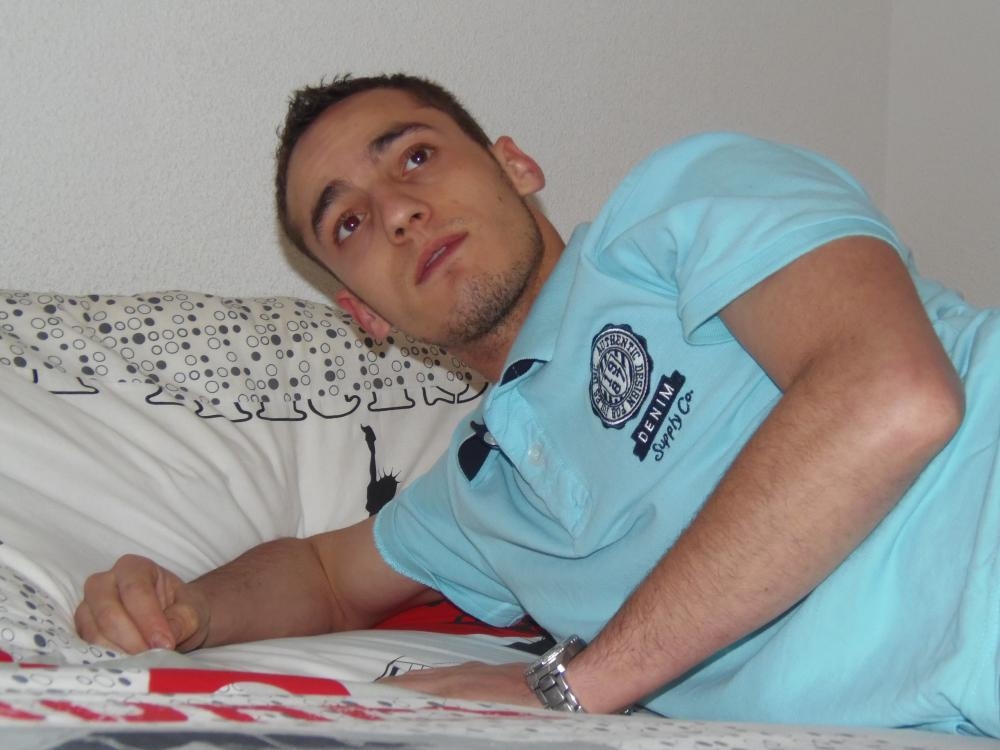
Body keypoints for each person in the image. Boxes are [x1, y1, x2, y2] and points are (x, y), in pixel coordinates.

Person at [74, 73, 1000, 737]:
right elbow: (323, 575)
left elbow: (891, 394)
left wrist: (574, 686)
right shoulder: (481, 493)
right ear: (364, 315)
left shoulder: (674, 205)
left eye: (416, 156)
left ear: (515, 164)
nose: (397, 211)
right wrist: (183, 605)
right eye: (348, 221)